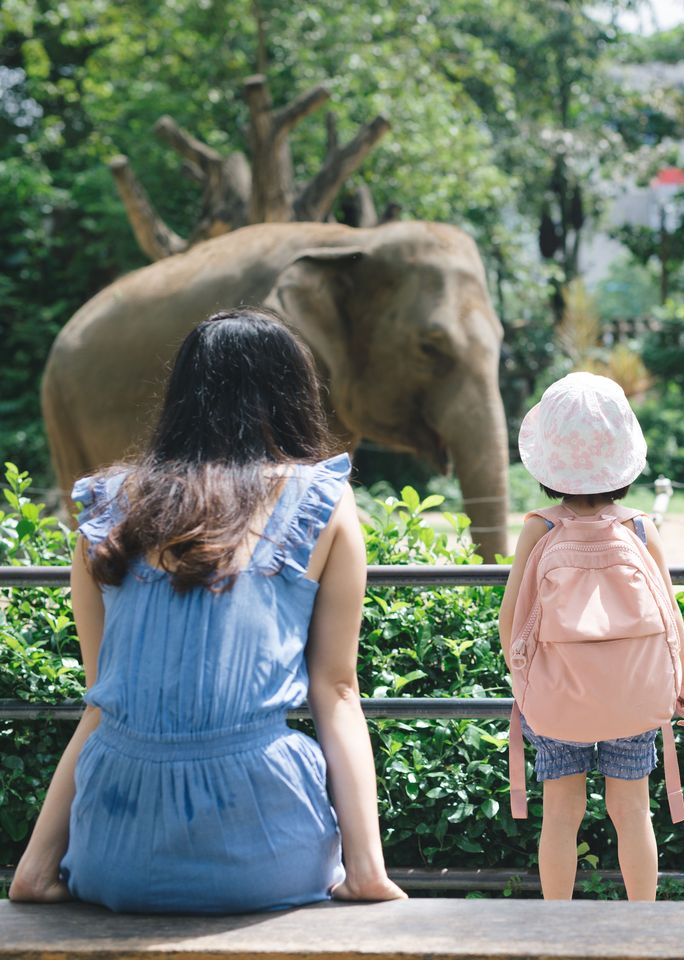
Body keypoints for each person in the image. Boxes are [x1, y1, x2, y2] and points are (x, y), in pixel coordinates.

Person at [9, 307, 406, 912]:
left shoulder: (107, 508)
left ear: (182, 397)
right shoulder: (320, 499)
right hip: (265, 849)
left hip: (115, 849)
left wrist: (35, 868)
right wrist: (367, 872)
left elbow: (104, 700)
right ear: (292, 394)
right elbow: (338, 692)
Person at [499, 372, 684, 901]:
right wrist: (683, 682)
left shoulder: (539, 528)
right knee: (632, 813)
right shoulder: (638, 527)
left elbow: (511, 620)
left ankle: (560, 932)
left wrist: (525, 686)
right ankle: (640, 931)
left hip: (557, 694)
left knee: (561, 816)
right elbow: (670, 618)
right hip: (635, 693)